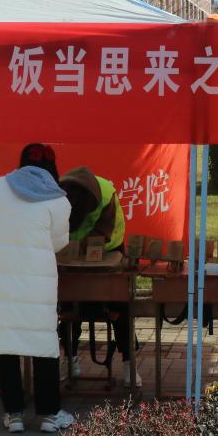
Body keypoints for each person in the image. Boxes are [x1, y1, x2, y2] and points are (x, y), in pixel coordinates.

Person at [0, 143, 74, 434]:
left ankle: (14, 415)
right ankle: (50, 415)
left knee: (5, 343)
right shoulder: (59, 200)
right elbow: (58, 242)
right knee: (43, 345)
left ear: (21, 163)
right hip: (37, 284)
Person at [56, 165, 140, 388]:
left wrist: (79, 249)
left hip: (108, 252)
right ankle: (70, 359)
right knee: (66, 305)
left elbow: (103, 235)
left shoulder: (105, 196)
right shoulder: (57, 194)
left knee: (119, 306)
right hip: (71, 255)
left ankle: (129, 364)